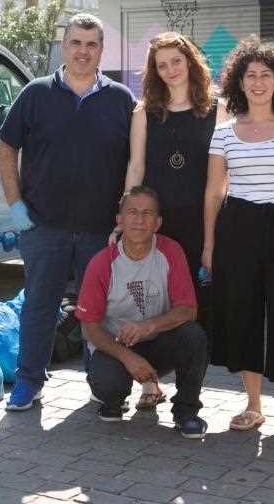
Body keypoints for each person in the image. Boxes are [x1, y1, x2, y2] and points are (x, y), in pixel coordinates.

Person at [0, 13, 136, 411]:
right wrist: (15, 205)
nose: (83, 51)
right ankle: (28, 381)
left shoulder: (120, 99)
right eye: (76, 43)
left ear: (101, 51)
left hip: (99, 230)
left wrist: (124, 217)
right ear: (64, 46)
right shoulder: (36, 94)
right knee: (39, 306)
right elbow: (7, 148)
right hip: (43, 226)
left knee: (100, 309)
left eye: (91, 44)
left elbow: (134, 162)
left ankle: (101, 381)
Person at [201, 37, 274, 443]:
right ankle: (253, 406)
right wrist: (210, 245)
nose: (258, 82)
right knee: (244, 316)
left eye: (265, 75)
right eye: (250, 75)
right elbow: (214, 193)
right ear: (238, 82)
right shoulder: (225, 133)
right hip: (237, 228)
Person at [120, 31, 228, 409]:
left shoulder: (218, 108)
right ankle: (150, 384)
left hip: (202, 225)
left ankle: (189, 396)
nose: (170, 70)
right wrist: (124, 219)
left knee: (194, 310)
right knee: (150, 303)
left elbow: (223, 176)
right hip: (155, 225)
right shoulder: (145, 110)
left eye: (176, 62)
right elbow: (136, 167)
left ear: (190, 61)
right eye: (161, 65)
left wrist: (217, 236)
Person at [77, 185, 209, 438]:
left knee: (194, 336)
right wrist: (127, 357)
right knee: (108, 384)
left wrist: (148, 326)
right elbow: (89, 327)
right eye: (132, 212)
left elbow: (188, 310)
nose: (139, 220)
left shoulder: (171, 251)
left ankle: (187, 412)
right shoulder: (102, 263)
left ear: (158, 222)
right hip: (115, 348)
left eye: (147, 213)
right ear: (119, 220)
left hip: (159, 342)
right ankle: (114, 400)